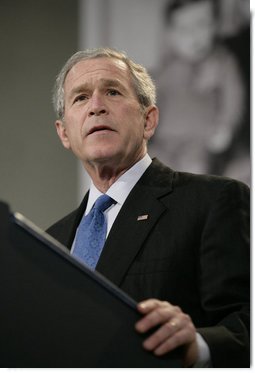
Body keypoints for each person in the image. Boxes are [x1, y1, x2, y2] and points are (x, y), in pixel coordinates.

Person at [47, 47, 249, 367]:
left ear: (148, 119)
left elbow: (244, 322)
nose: (96, 106)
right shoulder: (50, 243)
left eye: (112, 91)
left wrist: (198, 346)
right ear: (64, 133)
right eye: (80, 98)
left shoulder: (213, 201)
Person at [149, 0, 246, 180]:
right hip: (164, 139)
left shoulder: (222, 63)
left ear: (215, 26)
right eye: (185, 30)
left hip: (199, 140)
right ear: (171, 35)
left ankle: (192, 205)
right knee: (150, 168)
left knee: (195, 170)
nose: (195, 36)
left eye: (202, 24)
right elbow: (149, 99)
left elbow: (234, 97)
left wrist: (226, 126)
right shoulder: (165, 69)